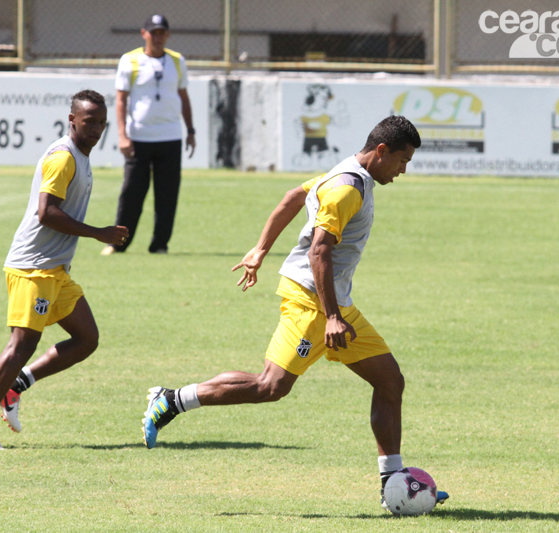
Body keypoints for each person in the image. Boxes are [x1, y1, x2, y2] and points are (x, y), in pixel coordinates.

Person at [141, 115, 448, 506]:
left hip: (334, 302)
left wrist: (260, 249)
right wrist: (332, 317)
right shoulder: (346, 189)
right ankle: (171, 400)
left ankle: (393, 484)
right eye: (402, 160)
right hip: (312, 301)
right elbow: (320, 251)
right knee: (270, 386)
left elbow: (291, 197)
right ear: (382, 151)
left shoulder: (346, 174)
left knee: (389, 380)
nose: (403, 170)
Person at [0, 90, 129, 449]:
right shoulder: (63, 157)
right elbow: (46, 213)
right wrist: (99, 233)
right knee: (21, 344)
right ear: (72, 120)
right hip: (33, 267)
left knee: (86, 339)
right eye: (89, 121)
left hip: (55, 270)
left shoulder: (81, 155)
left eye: (102, 123)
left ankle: (16, 386)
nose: (97, 129)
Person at [101, 14, 196, 256]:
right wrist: (122, 135)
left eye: (162, 32)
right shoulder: (130, 60)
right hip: (139, 137)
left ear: (168, 35)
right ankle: (118, 244)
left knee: (167, 195)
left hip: (170, 136)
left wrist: (190, 130)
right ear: (144, 34)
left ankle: (160, 244)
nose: (158, 37)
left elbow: (184, 97)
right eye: (154, 32)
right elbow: (120, 100)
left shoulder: (177, 61)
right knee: (131, 193)